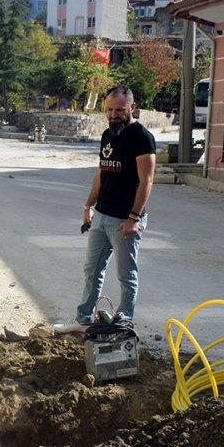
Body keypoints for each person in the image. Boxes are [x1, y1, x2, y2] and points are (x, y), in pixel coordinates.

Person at [54, 85, 156, 334]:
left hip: (125, 221)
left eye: (119, 110)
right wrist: (88, 205)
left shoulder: (142, 138)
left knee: (126, 275)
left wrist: (133, 218)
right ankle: (83, 319)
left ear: (132, 107)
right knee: (92, 271)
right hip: (101, 216)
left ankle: (124, 322)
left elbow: (147, 181)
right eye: (109, 109)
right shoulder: (107, 135)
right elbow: (102, 173)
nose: (113, 114)